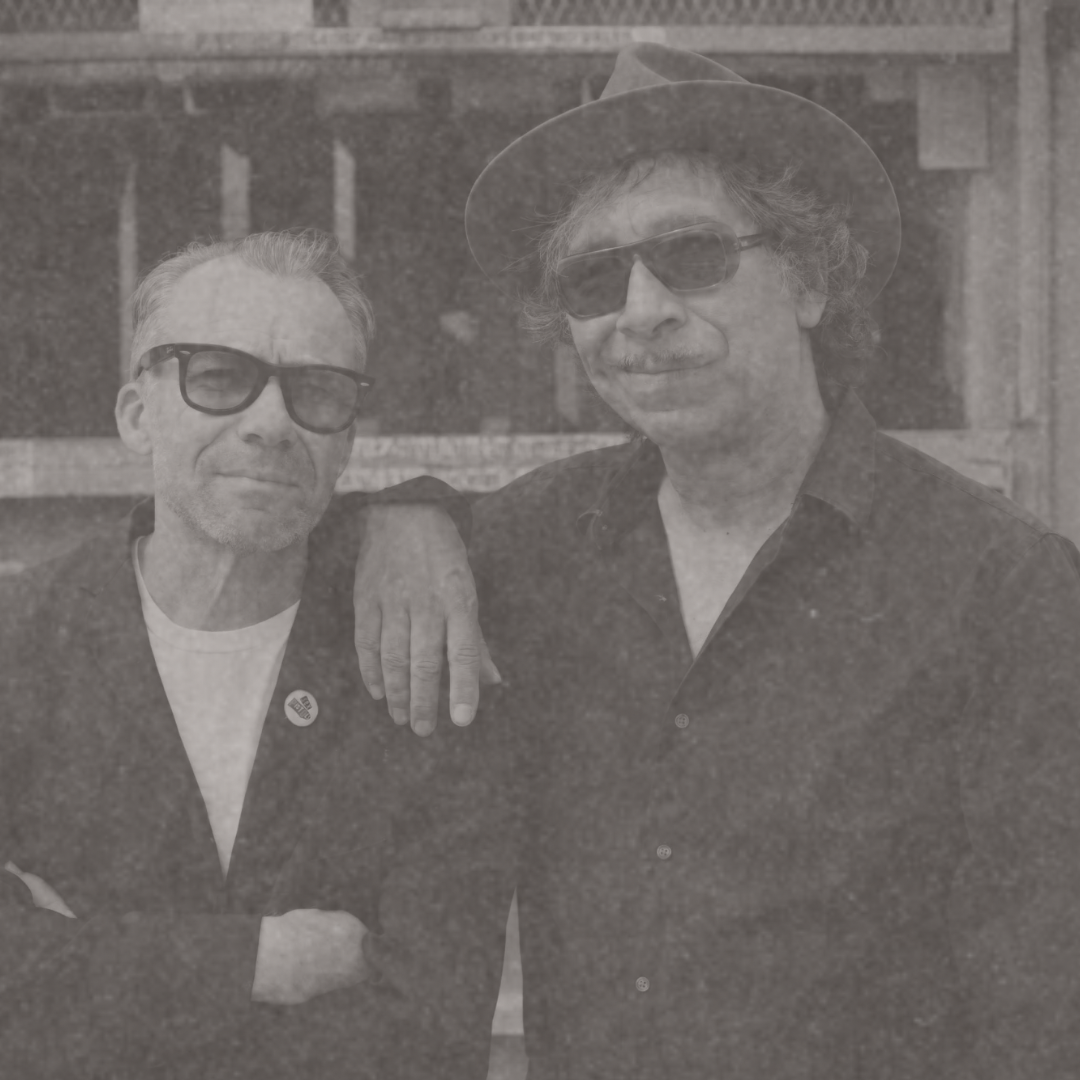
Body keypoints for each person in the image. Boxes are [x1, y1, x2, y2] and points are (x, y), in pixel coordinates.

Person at [353, 43, 1080, 1078]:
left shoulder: (1001, 583)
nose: (641, 311)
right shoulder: (530, 546)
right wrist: (402, 517)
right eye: (595, 279)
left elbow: (1044, 1005)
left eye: (692, 255)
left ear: (811, 282)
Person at [0, 231, 514, 1079]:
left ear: (348, 440)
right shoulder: (21, 640)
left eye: (317, 391)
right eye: (217, 377)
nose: (271, 423)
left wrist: (88, 967)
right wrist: (254, 963)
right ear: (137, 415)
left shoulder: (418, 650)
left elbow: (428, 1034)